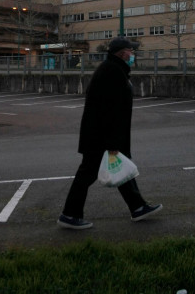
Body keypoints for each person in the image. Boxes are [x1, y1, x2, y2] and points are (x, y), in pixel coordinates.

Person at [58, 36, 162, 229]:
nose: (133, 54)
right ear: (123, 53)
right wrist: (114, 143)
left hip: (103, 136)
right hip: (102, 138)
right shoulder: (112, 72)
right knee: (87, 174)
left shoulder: (114, 69)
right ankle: (69, 214)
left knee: (122, 171)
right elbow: (109, 110)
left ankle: (138, 207)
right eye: (131, 51)